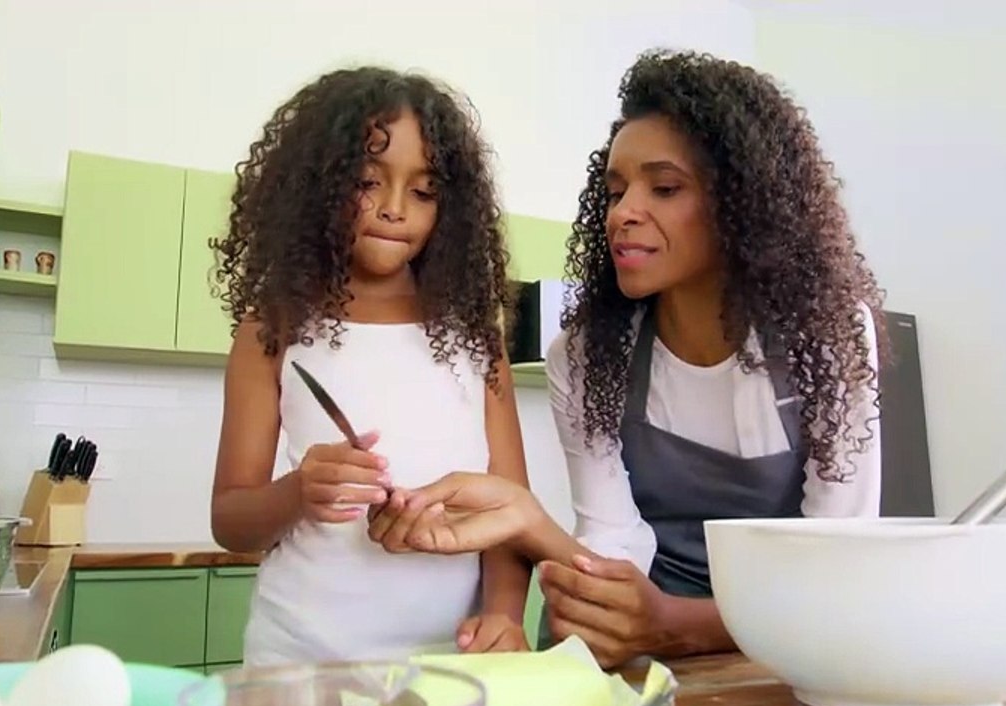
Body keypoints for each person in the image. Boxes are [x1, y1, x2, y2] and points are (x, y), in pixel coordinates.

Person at [366, 49, 888, 669]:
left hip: (788, 644)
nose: (622, 214)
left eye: (664, 188)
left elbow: (835, 568)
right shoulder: (587, 356)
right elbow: (613, 537)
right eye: (615, 192)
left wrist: (676, 625)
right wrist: (608, 606)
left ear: (743, 205)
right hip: (635, 633)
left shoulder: (826, 342)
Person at [209, 66, 532, 667]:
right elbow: (230, 520)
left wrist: (504, 615)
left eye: (423, 191)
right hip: (301, 660)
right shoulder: (272, 329)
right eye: (367, 181)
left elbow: (510, 513)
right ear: (319, 186)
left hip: (449, 665)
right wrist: (299, 493)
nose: (393, 209)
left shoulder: (475, 339)